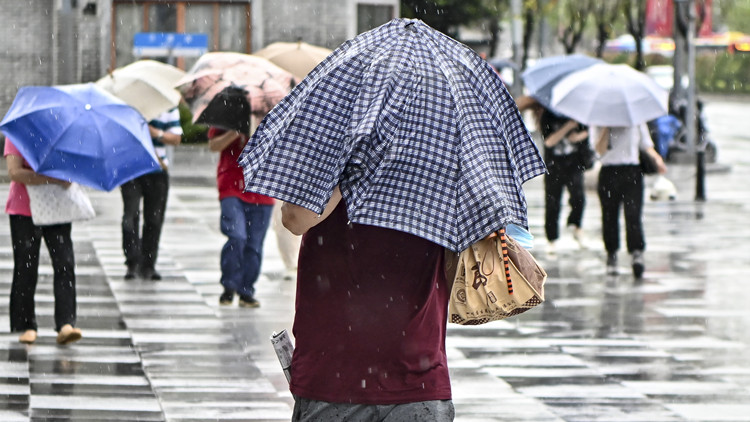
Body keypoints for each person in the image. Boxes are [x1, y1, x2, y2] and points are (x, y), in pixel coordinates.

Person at [281, 187, 454, 421]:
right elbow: (295, 219)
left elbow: (293, 218)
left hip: (374, 373)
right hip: (363, 372)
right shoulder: (440, 156)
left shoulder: (437, 159)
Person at [4, 138, 83, 345]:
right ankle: (26, 324)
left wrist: (69, 174)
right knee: (26, 266)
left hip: (56, 207)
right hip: (23, 209)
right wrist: (51, 178)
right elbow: (14, 172)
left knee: (65, 262)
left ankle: (66, 323)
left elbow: (73, 167)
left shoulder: (61, 134)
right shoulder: (18, 133)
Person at [207, 127, 274, 307]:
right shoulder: (230, 109)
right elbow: (214, 145)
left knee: (255, 246)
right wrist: (237, 131)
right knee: (237, 237)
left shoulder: (272, 110)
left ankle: (246, 291)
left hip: (263, 189)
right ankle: (229, 285)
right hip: (231, 186)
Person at [590, 124, 667, 278]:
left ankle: (636, 253)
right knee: (609, 216)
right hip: (609, 172)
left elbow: (646, 145)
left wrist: (657, 159)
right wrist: (606, 128)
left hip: (632, 172)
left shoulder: (635, 119)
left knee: (633, 214)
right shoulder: (598, 121)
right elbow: (598, 150)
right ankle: (611, 254)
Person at [120, 107, 182, 280]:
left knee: (154, 219)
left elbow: (176, 138)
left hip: (158, 170)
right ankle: (132, 261)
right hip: (131, 169)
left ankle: (148, 264)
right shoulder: (129, 107)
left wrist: (156, 133)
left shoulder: (168, 107)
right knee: (130, 216)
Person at [539, 108, 591, 252]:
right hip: (553, 164)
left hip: (574, 162)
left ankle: (575, 224)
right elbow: (549, 142)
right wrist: (567, 127)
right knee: (552, 202)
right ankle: (552, 239)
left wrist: (578, 136)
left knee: (579, 196)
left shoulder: (578, 112)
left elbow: (588, 132)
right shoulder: (548, 115)